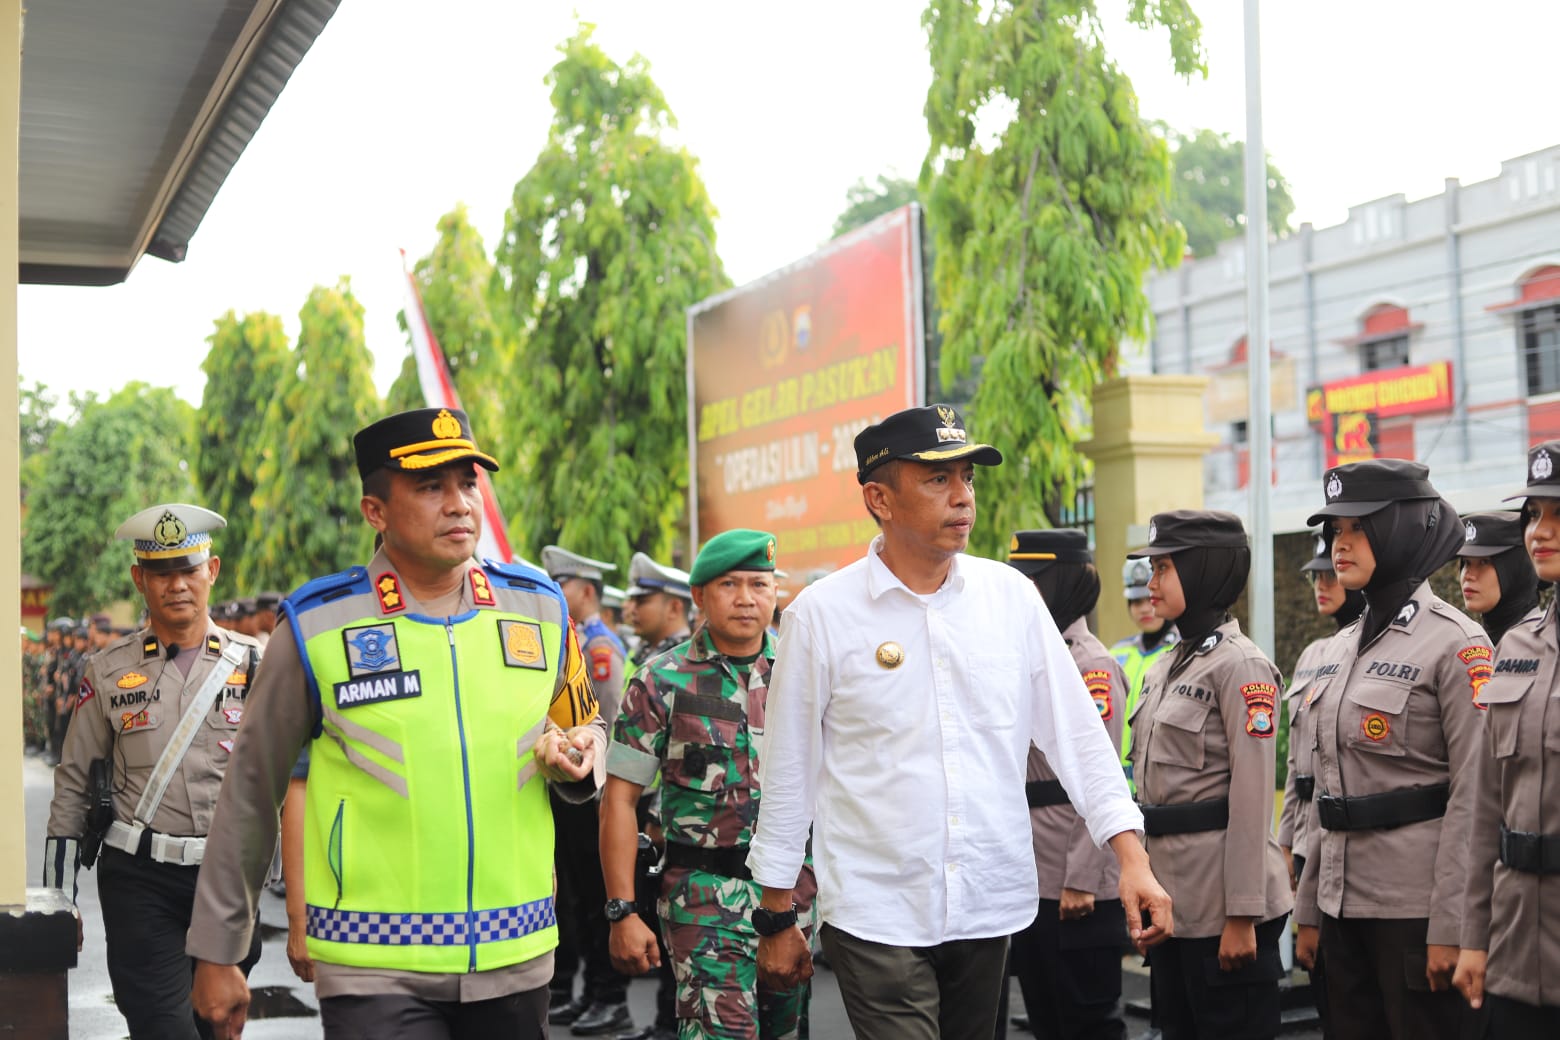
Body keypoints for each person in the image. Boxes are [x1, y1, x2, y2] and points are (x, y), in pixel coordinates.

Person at [748, 404, 1170, 1040]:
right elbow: (788, 772)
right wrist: (776, 916)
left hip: (987, 900)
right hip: (875, 910)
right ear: (879, 498)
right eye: (937, 480)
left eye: (968, 479)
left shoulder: (1010, 600)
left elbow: (1078, 739)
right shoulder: (821, 617)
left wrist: (1130, 856)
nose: (963, 498)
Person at [187, 407, 605, 1040]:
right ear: (375, 512)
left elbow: (588, 728)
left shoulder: (540, 607)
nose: (460, 504)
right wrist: (219, 950)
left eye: (467, 483)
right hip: (373, 968)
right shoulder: (317, 623)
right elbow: (251, 789)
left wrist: (577, 756)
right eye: (431, 487)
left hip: (515, 956)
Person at [41, 503, 263, 1039]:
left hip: (227, 882)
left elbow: (290, 783)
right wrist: (59, 899)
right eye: (161, 573)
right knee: (163, 1028)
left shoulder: (257, 664)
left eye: (188, 570)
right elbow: (73, 781)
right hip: (140, 880)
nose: (177, 585)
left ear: (211, 571)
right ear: (140, 579)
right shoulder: (109, 669)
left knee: (214, 1025)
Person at [1293, 459, 1489, 1040]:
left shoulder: (1455, 643)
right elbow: (1325, 792)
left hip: (1416, 913)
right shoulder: (1341, 647)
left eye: (1356, 528)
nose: (1338, 546)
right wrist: (1308, 910)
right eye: (1334, 531)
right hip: (1340, 910)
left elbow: (1474, 801)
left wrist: (1453, 926)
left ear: (1399, 529)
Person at [602, 528, 814, 1040]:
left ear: (775, 593)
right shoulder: (660, 681)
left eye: (759, 584)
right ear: (699, 596)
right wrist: (622, 910)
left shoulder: (804, 674)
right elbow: (620, 800)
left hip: (789, 901)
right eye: (729, 584)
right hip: (703, 902)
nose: (746, 599)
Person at [1125, 510, 1293, 1040]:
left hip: (1223, 907)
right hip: (1173, 903)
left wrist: (1242, 914)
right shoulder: (1163, 667)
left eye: (1164, 568)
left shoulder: (1240, 666)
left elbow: (1250, 798)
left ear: (1202, 572)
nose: (1151, 583)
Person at [1004, 528, 1129, 1040]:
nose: (1022, 590)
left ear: (1060, 582)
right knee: (1046, 1016)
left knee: (1087, 1020)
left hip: (1075, 877)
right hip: (1034, 873)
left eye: (1032, 579)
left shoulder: (1090, 664)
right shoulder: (1032, 654)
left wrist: (1081, 874)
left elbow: (1101, 774)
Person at [1453, 441, 1560, 1034]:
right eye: (1534, 515)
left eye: (1557, 515)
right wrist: (1474, 937)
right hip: (1515, 948)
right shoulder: (1517, 649)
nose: (1540, 532)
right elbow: (1485, 809)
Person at [541, 544, 634, 1036]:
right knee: (575, 899)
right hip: (572, 789)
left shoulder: (599, 648)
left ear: (588, 592)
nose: (555, 594)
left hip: (597, 793)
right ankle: (588, 992)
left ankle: (609, 995)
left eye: (564, 586)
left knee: (600, 900)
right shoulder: (567, 640)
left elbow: (613, 725)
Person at [1276, 531, 1364, 1037]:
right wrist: (1287, 839)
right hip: (1310, 834)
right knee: (1324, 985)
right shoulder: (1312, 655)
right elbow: (1295, 765)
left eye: (1329, 574)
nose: (1321, 584)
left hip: (1347, 834)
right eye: (1316, 575)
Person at [1110, 558, 1180, 782]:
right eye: (1136, 601)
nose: (1144, 608)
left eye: (1149, 599)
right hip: (1120, 791)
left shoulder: (1184, 651)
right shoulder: (1116, 655)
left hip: (1164, 787)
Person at [1457, 510, 1541, 648]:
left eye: (1484, 562)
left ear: (1516, 568)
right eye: (1466, 562)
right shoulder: (1467, 642)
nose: (1468, 575)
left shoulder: (1546, 646)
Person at [627, 552, 695, 667]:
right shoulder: (644, 652)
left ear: (674, 608)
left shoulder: (688, 663)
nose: (632, 610)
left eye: (642, 602)